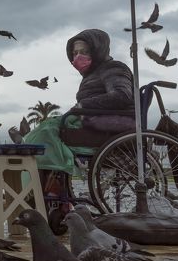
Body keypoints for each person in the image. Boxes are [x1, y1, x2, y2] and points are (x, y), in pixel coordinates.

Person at [22, 28, 135, 224]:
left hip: (104, 128)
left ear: (98, 50)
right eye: (74, 53)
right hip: (89, 122)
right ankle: (43, 189)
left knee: (47, 131)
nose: (78, 57)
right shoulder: (93, 74)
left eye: (83, 51)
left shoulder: (114, 69)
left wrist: (83, 105)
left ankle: (39, 190)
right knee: (42, 130)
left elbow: (122, 95)